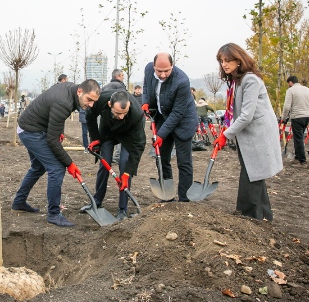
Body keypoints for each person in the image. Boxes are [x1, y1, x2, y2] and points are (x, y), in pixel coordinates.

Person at [11, 79, 101, 227]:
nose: (91, 104)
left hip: (35, 127)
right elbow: (52, 141)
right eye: (89, 99)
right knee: (57, 169)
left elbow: (57, 117)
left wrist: (59, 131)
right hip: (31, 131)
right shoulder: (63, 102)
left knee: (38, 167)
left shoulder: (71, 91)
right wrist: (69, 163)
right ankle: (53, 214)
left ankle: (19, 202)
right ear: (80, 91)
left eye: (93, 101)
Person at [212, 43, 283, 221]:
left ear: (239, 60)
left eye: (228, 60)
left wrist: (225, 135)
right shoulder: (237, 81)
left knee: (252, 174)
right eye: (221, 61)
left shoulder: (250, 80)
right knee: (253, 172)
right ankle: (264, 215)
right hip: (249, 134)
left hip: (259, 133)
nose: (224, 64)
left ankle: (247, 215)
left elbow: (246, 115)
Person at [142, 53, 199, 201]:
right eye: (159, 71)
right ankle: (167, 194)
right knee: (161, 158)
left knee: (183, 162)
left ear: (172, 66)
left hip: (183, 121)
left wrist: (161, 134)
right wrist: (145, 101)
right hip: (163, 117)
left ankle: (184, 199)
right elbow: (146, 87)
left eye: (166, 71)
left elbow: (177, 113)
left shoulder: (182, 81)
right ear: (153, 67)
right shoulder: (148, 70)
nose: (162, 74)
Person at [83, 90, 146, 220]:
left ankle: (123, 208)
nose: (121, 116)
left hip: (128, 135)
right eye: (118, 113)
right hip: (108, 132)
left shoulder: (137, 115)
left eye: (124, 113)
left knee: (124, 164)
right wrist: (95, 139)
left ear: (129, 106)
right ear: (109, 104)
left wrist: (128, 172)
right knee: (104, 163)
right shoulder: (100, 101)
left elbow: (138, 147)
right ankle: (97, 201)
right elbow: (90, 116)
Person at [281, 75, 309, 165]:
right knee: (300, 137)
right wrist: (306, 107)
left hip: (297, 117)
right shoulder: (307, 89)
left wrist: (283, 117)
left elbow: (286, 107)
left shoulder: (290, 90)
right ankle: (297, 157)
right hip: (306, 117)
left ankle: (302, 160)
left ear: (290, 82)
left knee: (298, 139)